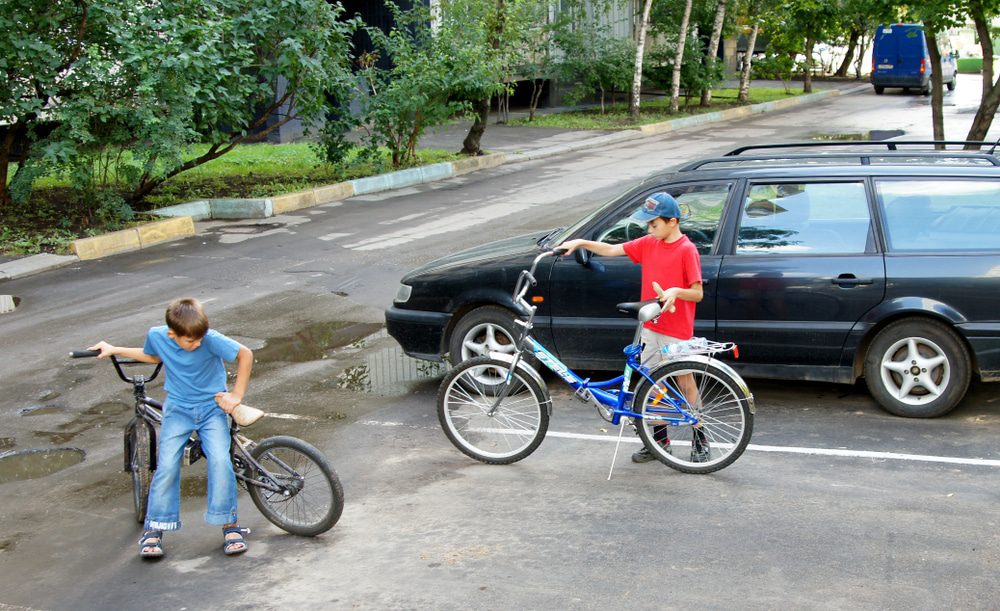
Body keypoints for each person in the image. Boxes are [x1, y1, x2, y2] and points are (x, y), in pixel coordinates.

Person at [90, 297, 254, 558]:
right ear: (172, 334)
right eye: (190, 341)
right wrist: (115, 349)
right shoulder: (157, 335)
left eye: (199, 339)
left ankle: (230, 525)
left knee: (221, 462)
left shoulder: (208, 337)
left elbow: (245, 354)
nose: (197, 344)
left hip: (212, 407)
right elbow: (154, 355)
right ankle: (154, 528)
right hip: (178, 410)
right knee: (166, 465)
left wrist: (236, 395)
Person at [557, 192, 706, 464]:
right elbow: (614, 249)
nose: (649, 229)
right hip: (651, 325)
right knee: (653, 385)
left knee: (685, 382)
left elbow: (697, 294)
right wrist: (581, 242)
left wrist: (676, 291)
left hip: (677, 329)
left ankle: (700, 438)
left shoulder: (687, 250)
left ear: (672, 221)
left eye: (654, 224)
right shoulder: (650, 243)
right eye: (648, 225)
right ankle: (659, 442)